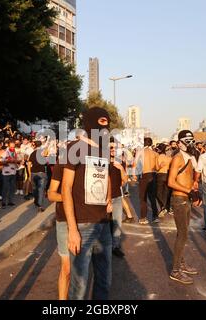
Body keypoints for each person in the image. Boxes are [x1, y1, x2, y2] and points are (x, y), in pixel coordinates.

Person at [62, 107, 112, 300]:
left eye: (107, 123)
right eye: (101, 122)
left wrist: (107, 198)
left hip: (103, 224)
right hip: (82, 225)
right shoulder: (76, 148)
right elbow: (65, 188)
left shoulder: (103, 150)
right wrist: (72, 229)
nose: (106, 127)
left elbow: (105, 177)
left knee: (104, 282)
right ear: (90, 123)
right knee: (80, 288)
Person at [167, 130, 201, 285]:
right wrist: (189, 191)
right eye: (187, 141)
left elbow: (189, 178)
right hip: (179, 199)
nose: (190, 143)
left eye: (191, 140)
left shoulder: (189, 157)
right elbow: (171, 182)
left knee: (184, 234)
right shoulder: (178, 158)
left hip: (185, 198)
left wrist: (194, 190)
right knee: (183, 235)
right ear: (180, 142)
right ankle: (175, 270)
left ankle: (180, 264)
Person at [47, 162, 70, 300]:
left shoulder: (90, 165)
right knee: (67, 268)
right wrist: (69, 198)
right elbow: (51, 194)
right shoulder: (61, 166)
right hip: (64, 220)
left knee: (81, 267)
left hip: (86, 221)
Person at [109, 139, 129, 258]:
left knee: (117, 223)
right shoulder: (101, 162)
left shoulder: (119, 162)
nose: (113, 150)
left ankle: (115, 246)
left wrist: (121, 169)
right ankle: (103, 247)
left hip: (116, 197)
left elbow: (125, 180)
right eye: (110, 148)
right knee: (104, 224)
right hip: (103, 199)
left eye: (114, 148)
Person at [135, 137, 159, 225]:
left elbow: (135, 163)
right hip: (153, 175)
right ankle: (155, 216)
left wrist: (135, 175)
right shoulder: (155, 153)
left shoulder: (140, 152)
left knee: (143, 197)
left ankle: (143, 217)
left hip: (144, 175)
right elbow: (157, 167)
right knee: (152, 197)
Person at [28, 141, 47, 212]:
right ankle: (40, 206)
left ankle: (36, 202)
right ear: (41, 145)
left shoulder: (32, 153)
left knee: (35, 189)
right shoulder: (43, 152)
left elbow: (29, 164)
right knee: (41, 190)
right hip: (41, 173)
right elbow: (46, 156)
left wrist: (29, 174)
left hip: (33, 173)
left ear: (35, 145)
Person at [0, 140, 18, 208]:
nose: (13, 148)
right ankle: (3, 202)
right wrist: (8, 161)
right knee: (5, 188)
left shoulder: (15, 152)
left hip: (13, 172)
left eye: (14, 147)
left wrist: (17, 162)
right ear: (8, 146)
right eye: (11, 147)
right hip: (6, 173)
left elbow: (16, 161)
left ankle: (10, 201)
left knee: (12, 188)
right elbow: (0, 163)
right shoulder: (5, 153)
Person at [156, 143, 172, 217]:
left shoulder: (159, 157)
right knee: (166, 192)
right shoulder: (169, 157)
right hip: (168, 174)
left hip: (160, 175)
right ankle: (167, 207)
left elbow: (157, 168)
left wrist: (159, 167)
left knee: (158, 192)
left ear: (159, 149)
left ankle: (163, 206)